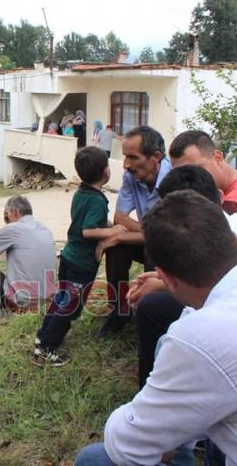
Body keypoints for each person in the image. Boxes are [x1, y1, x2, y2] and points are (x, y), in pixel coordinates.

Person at [75, 191, 237, 465]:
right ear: (236, 241)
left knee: (95, 459)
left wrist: (146, 424)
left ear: (166, 279)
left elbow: (127, 446)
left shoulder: (204, 337)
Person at [128, 165, 237, 389]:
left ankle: (155, 387)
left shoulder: (198, 329)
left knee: (153, 309)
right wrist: (161, 281)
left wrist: (166, 283)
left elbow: (209, 293)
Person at [33, 147, 127, 366]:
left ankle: (42, 335)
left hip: (68, 258)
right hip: (81, 264)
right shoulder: (96, 200)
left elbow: (88, 223)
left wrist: (110, 227)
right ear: (106, 172)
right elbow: (88, 230)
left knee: (60, 301)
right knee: (69, 308)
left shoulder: (81, 193)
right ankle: (46, 349)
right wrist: (112, 232)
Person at [94, 125, 171, 337]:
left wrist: (124, 233)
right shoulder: (131, 176)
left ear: (155, 157)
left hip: (173, 247)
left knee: (151, 250)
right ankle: (120, 310)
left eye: (133, 157)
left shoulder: (174, 179)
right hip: (153, 237)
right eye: (125, 156)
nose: (126, 164)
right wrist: (146, 232)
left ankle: (149, 311)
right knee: (117, 246)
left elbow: (168, 235)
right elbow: (120, 217)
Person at [0, 195, 56, 313]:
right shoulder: (45, 229)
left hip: (22, 299)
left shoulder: (12, 229)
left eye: (7, 214)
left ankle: (1, 311)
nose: (6, 217)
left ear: (14, 212)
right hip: (47, 297)